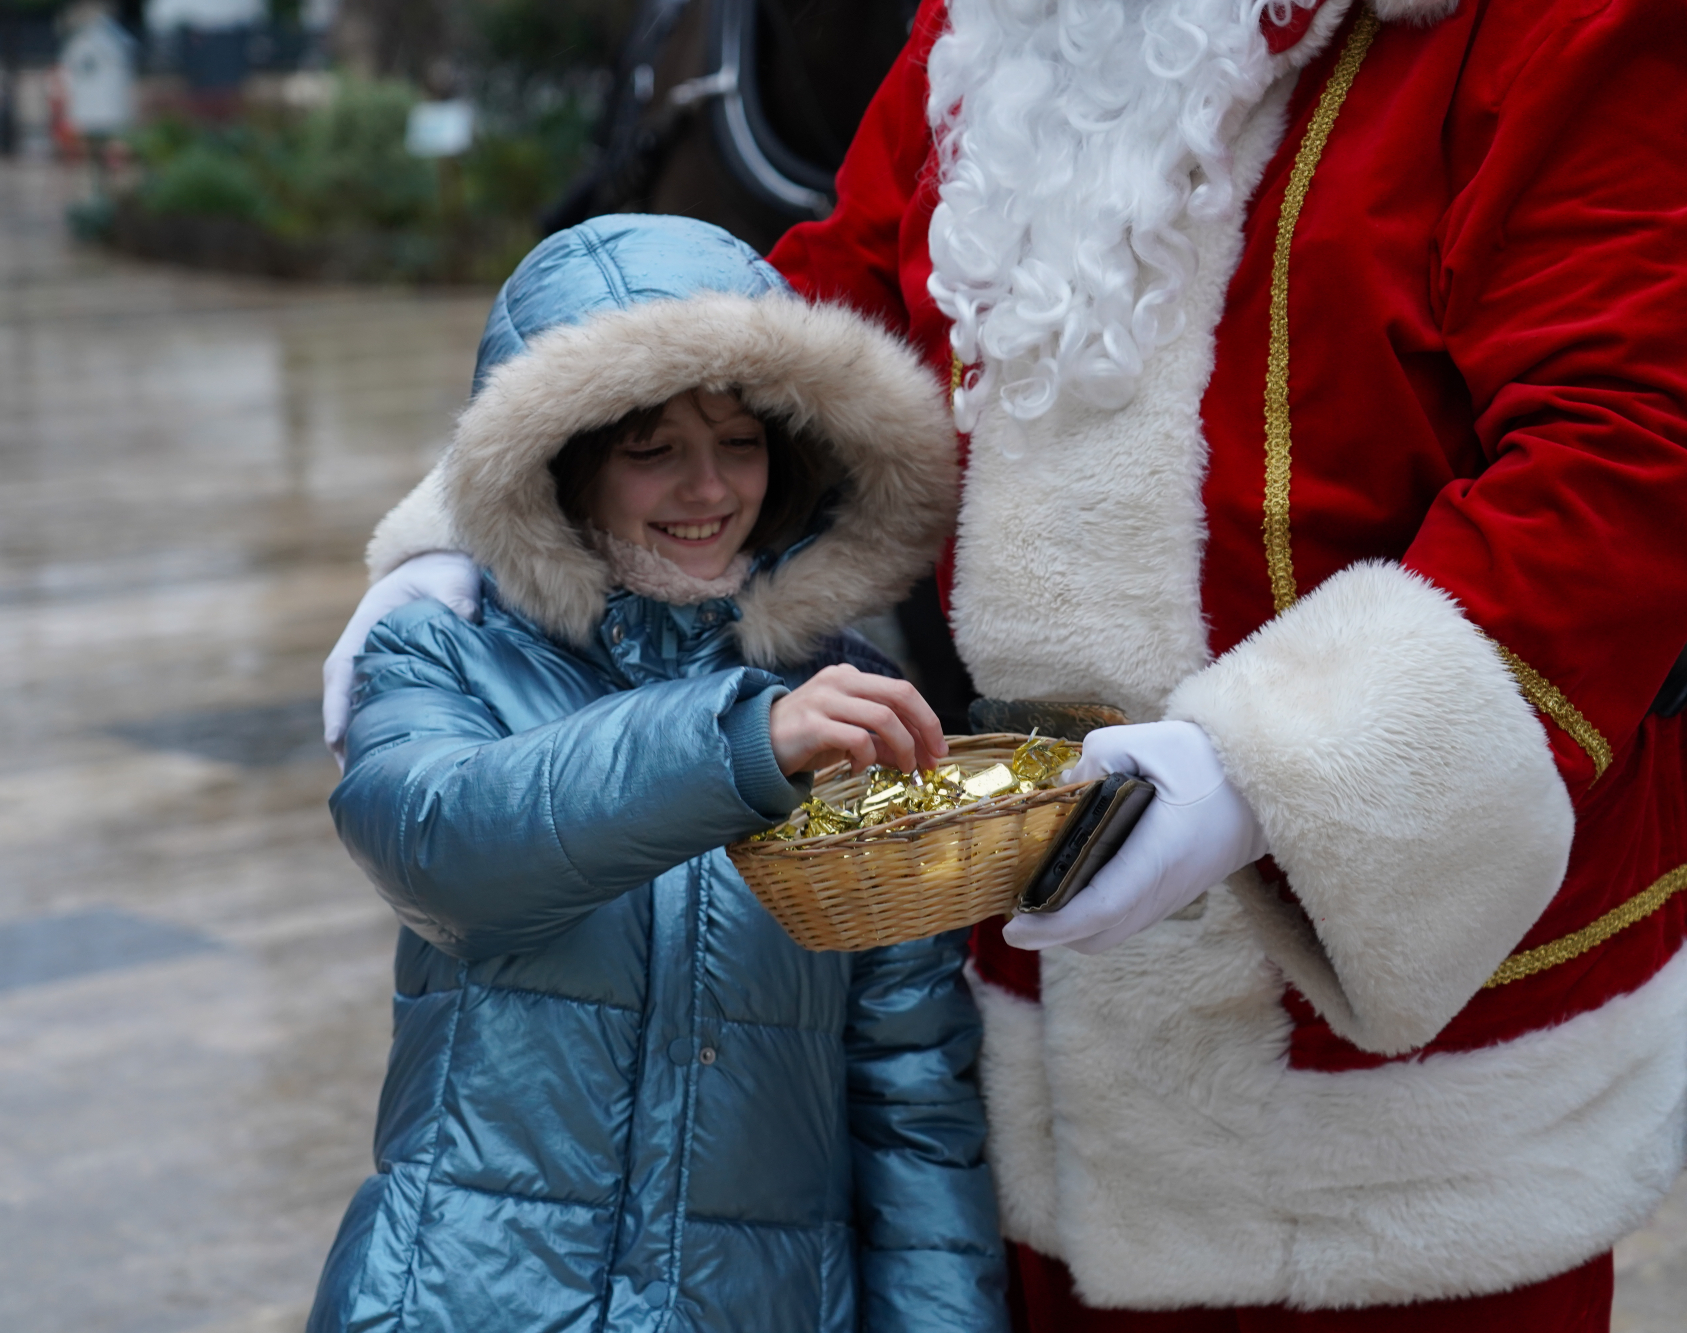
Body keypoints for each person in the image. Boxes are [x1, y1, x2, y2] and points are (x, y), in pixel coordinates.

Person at [327, 0, 1687, 1327]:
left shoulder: (1552, 24)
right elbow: (818, 329)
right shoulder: (987, 27)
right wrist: (480, 520)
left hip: (1388, 1089)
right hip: (1041, 1033)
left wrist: (1271, 770)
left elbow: (1630, 450)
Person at [307, 213, 1009, 1333]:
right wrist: (742, 743)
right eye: (652, 450)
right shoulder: (440, 648)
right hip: (456, 1295)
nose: (708, 488)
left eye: (740, 441)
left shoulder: (850, 702)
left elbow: (911, 1095)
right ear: (564, 460)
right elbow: (443, 851)